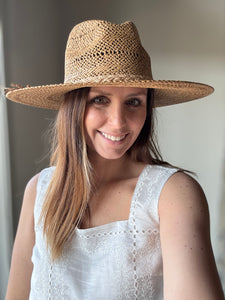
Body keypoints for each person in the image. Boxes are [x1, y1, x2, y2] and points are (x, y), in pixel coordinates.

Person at [5, 20, 224, 300]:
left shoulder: (171, 194)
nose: (119, 122)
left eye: (134, 102)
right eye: (100, 100)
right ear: (73, 107)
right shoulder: (39, 191)